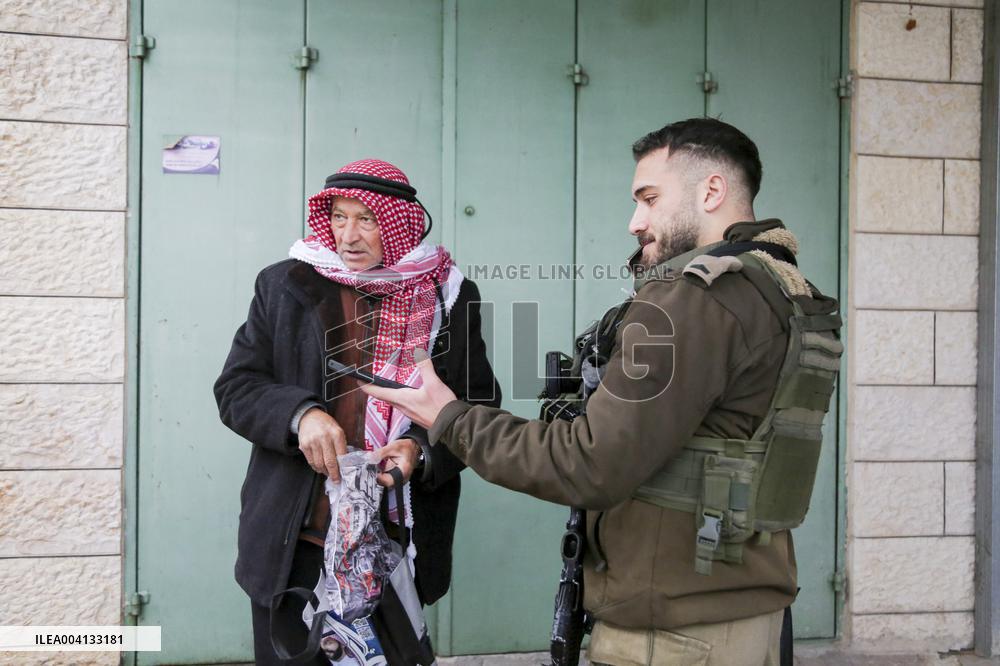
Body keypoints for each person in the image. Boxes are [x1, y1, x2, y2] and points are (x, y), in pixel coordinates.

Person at [363, 119, 842, 665]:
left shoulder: (693, 298)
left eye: (650, 198)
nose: (635, 221)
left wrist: (448, 416)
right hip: (746, 608)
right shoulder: (779, 286)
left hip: (678, 632)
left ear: (712, 191)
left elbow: (591, 463)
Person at [213, 158, 500, 664]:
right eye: (339, 217)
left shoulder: (449, 296)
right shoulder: (284, 285)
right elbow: (237, 387)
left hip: (392, 546)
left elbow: (478, 403)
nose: (348, 235)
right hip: (295, 542)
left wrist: (419, 449)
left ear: (397, 223)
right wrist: (300, 415)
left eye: (366, 219)